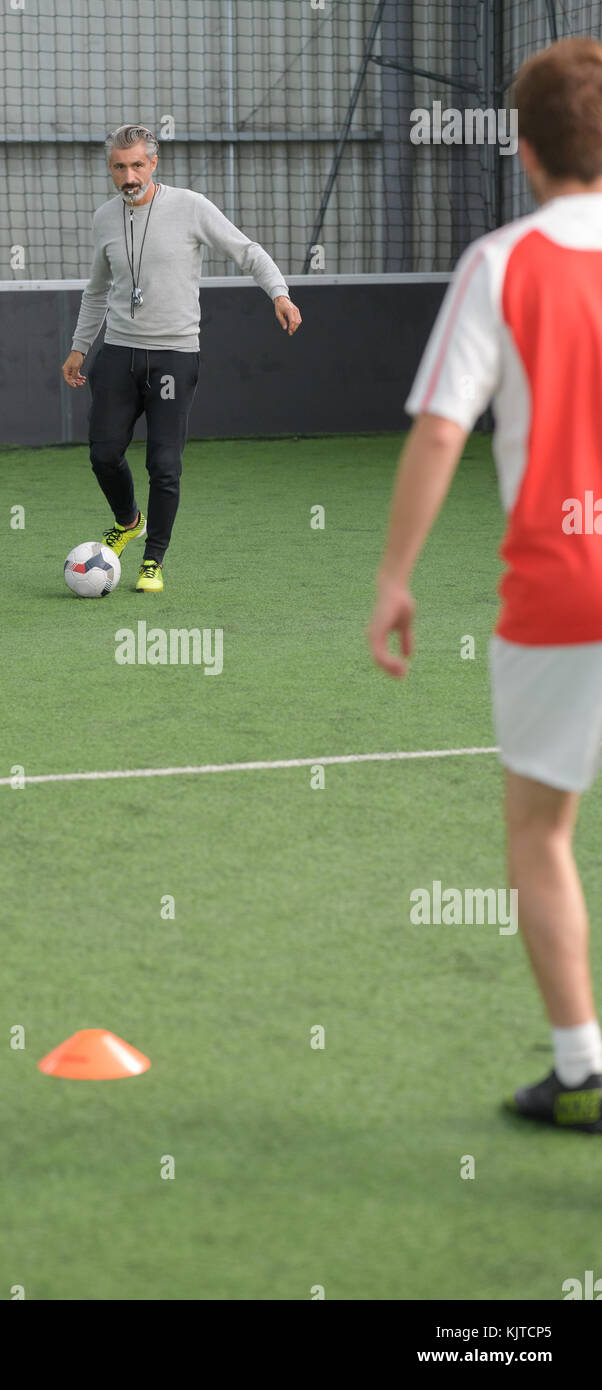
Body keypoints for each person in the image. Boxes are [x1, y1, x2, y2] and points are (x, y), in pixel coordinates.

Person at [368, 36, 602, 1133]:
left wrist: (392, 580)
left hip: (560, 594)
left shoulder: (500, 265)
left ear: (520, 152)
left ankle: (580, 1068)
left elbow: (437, 434)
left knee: (538, 831)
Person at [61, 123, 301, 592]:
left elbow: (246, 251)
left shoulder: (190, 207)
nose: (128, 176)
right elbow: (97, 290)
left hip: (173, 357)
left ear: (153, 163)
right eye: (118, 167)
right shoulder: (105, 218)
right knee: (104, 453)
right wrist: (79, 347)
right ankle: (129, 521)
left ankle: (154, 560)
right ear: (110, 168)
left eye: (136, 165)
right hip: (119, 354)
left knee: (164, 464)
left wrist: (279, 293)